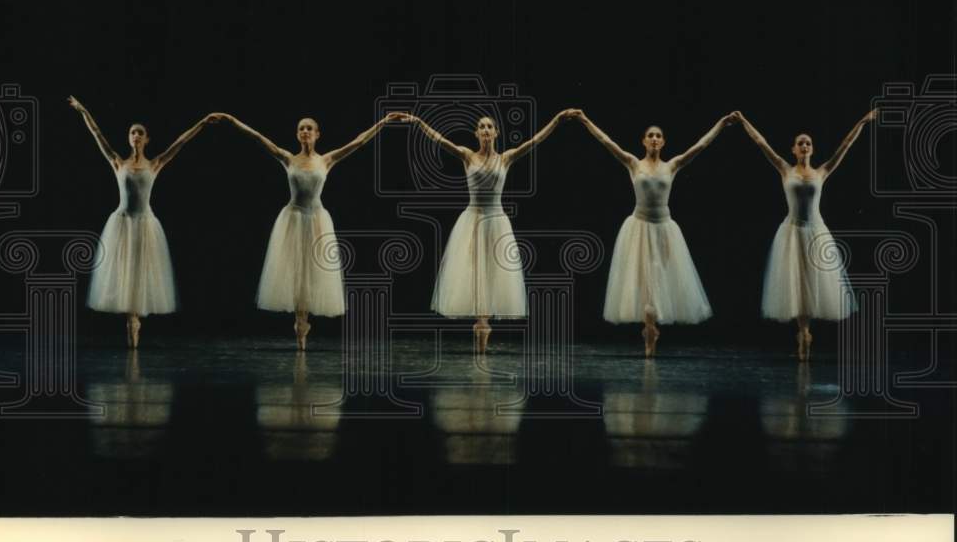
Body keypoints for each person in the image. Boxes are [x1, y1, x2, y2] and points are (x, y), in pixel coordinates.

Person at [219, 111, 404, 350]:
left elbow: (358, 142)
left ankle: (303, 325)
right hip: (293, 219)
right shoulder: (288, 159)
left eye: (309, 128)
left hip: (316, 219)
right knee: (296, 272)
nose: (304, 131)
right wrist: (233, 121)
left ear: (317, 134)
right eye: (301, 128)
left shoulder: (326, 160)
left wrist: (383, 122)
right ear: (297, 135)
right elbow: (257, 137)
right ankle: (299, 324)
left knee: (311, 273)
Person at [404, 110, 573, 352]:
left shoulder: (506, 158)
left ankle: (483, 325)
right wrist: (419, 122)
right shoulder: (467, 155)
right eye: (481, 127)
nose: (485, 130)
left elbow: (535, 141)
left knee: (493, 272)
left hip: (496, 220)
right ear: (476, 133)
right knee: (474, 272)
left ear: (496, 133)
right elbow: (439, 139)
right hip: (472, 219)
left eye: (489, 127)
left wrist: (555, 120)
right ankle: (481, 324)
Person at [576, 110, 736, 356]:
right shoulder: (633, 163)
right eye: (650, 135)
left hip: (664, 228)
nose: (653, 139)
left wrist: (720, 124)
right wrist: (585, 120)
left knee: (659, 277)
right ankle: (649, 330)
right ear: (643, 141)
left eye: (658, 136)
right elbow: (606, 141)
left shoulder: (671, 166)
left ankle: (651, 328)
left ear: (663, 142)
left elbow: (700, 145)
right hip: (639, 228)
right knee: (646, 281)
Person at [69, 96, 219, 348]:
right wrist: (83, 110)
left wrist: (202, 122)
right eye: (132, 133)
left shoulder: (155, 163)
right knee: (126, 271)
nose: (135, 136)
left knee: (140, 272)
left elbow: (181, 142)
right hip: (123, 223)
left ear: (146, 139)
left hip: (145, 223)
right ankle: (131, 322)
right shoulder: (118, 161)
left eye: (140, 133)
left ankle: (135, 322)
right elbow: (97, 134)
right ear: (129, 138)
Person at [735, 109, 876, 360]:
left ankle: (806, 333)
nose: (804, 146)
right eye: (800, 143)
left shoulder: (822, 171)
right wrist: (745, 121)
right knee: (797, 284)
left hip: (815, 231)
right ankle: (804, 333)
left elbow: (845, 145)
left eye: (808, 143)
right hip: (791, 232)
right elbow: (761, 143)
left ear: (812, 149)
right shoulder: (784, 169)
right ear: (793, 149)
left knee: (813, 283)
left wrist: (863, 122)